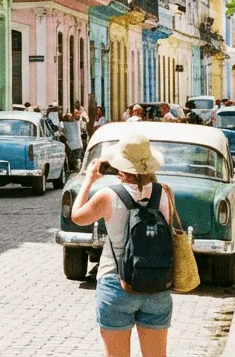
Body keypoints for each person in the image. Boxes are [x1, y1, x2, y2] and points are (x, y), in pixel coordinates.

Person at [70, 133, 174, 357]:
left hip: (116, 283)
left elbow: (77, 217)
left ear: (120, 166)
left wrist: (89, 180)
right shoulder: (164, 193)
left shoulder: (109, 196)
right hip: (156, 283)